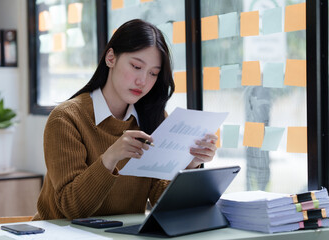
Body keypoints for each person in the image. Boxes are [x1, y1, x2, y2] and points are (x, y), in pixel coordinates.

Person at [32, 19, 218, 221]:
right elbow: (72, 208)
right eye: (136, 66)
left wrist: (190, 164)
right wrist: (110, 158)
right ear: (111, 58)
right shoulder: (66, 119)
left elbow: (160, 201)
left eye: (153, 73)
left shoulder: (153, 118)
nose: (143, 81)